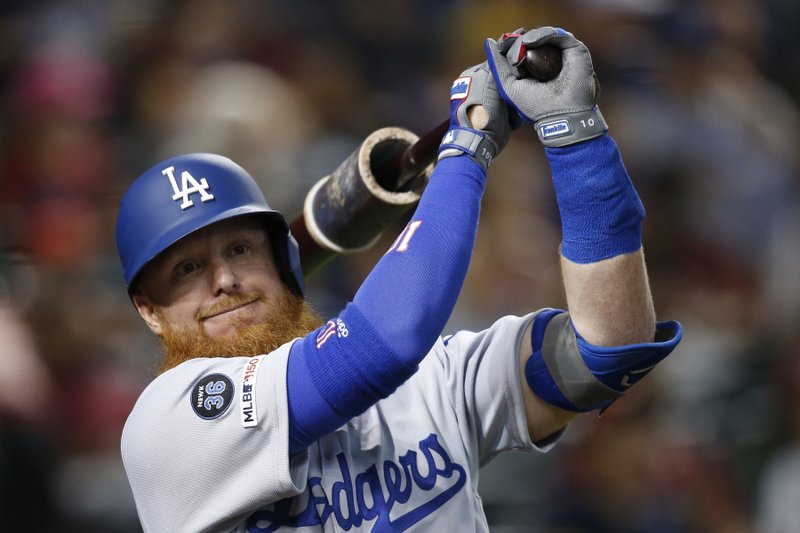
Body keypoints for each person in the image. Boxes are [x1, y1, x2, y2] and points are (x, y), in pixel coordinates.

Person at [115, 26, 682, 532]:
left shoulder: (430, 378)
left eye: (239, 249)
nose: (224, 280)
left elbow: (609, 349)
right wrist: (467, 148)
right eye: (187, 269)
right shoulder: (168, 424)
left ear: (282, 260)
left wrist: (577, 140)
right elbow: (381, 344)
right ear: (148, 309)